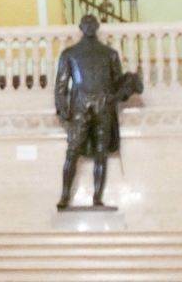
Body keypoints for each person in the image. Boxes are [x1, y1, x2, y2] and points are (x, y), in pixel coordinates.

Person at [54, 14, 141, 209]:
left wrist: (128, 86)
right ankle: (66, 196)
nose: (89, 27)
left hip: (99, 106)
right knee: (75, 152)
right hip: (87, 106)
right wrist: (62, 109)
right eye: (87, 24)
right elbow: (61, 86)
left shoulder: (108, 54)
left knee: (97, 153)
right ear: (81, 27)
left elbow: (117, 84)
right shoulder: (71, 54)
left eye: (91, 24)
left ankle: (94, 198)